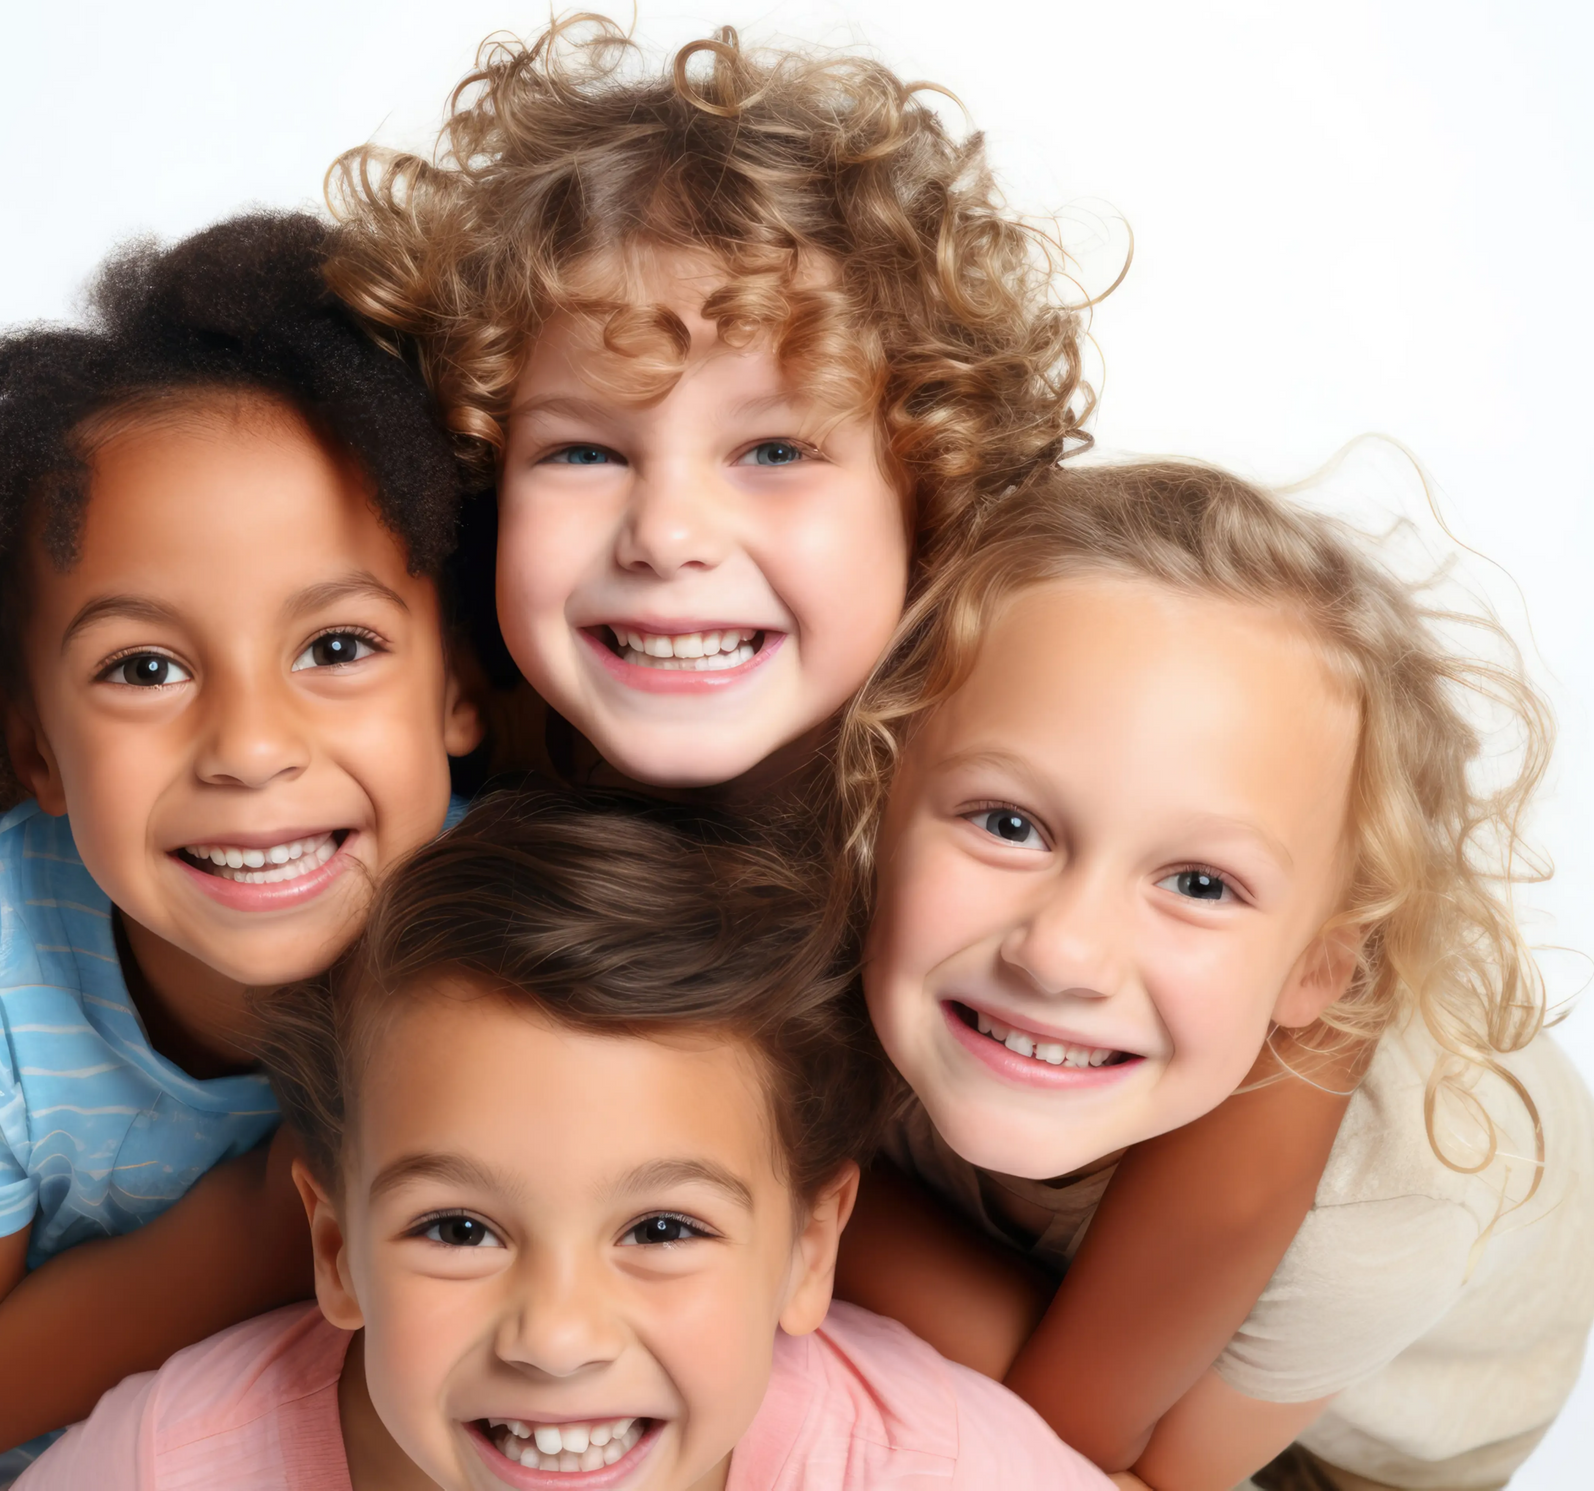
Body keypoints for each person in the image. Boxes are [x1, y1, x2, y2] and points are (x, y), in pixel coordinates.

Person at [326, 16, 1360, 1464]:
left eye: (776, 448)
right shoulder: (496, 774)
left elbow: (1069, 1419)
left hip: (1339, 1347)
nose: (669, 533)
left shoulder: (1038, 743)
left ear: (929, 491)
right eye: (583, 449)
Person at [0, 212, 483, 1487]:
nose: (252, 748)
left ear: (458, 685)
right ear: (35, 743)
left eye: (337, 647)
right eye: (144, 668)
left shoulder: (519, 913)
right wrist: (273, 1217)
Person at [831, 461, 1594, 1490]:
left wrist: (817, 1198)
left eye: (1199, 882)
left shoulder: (1388, 1200)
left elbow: (1100, 1464)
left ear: (1320, 967)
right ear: (871, 797)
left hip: (1346, 1454)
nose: (1063, 952)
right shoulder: (848, 924)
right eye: (1010, 824)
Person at [15, 788, 1112, 1490]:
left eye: (664, 1227)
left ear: (809, 1250)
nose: (557, 1337)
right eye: (457, 1228)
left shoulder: (931, 1468)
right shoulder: (169, 1465)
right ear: (338, 1249)